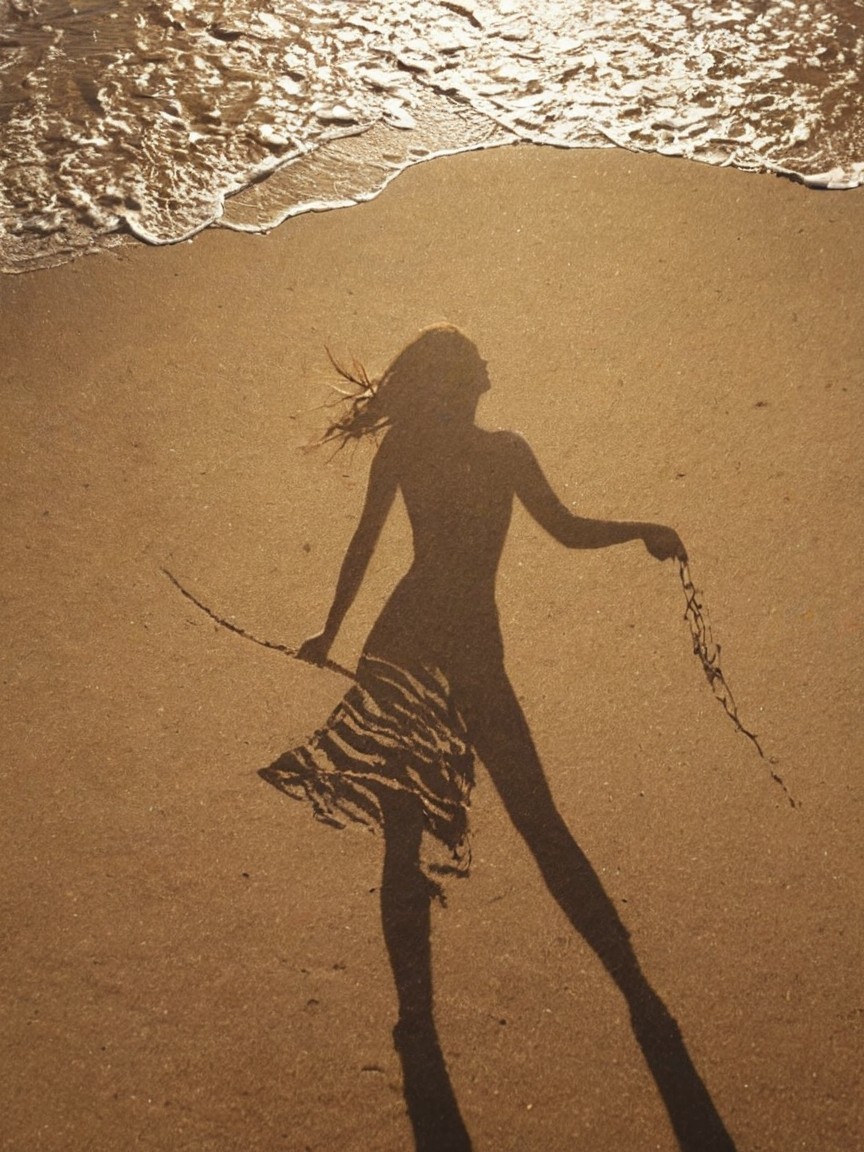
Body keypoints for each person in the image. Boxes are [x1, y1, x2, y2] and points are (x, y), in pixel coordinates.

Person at [261, 324, 736, 1152]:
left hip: (403, 642)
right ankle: (630, 990)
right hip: (462, 653)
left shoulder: (410, 451)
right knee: (534, 820)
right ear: (458, 384)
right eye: (475, 364)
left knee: (407, 838)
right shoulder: (505, 452)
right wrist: (645, 529)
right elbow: (567, 529)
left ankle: (421, 1022)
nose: (488, 370)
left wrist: (330, 635)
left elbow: (365, 550)